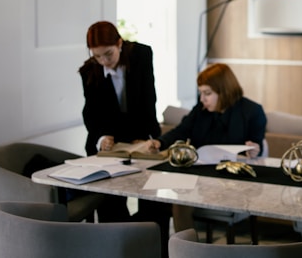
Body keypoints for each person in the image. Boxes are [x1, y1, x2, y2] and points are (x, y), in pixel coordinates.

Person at [78, 21, 169, 251]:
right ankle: (117, 248)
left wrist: (147, 136)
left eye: (108, 54)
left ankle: (154, 248)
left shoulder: (141, 55)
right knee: (110, 201)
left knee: (153, 197)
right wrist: (102, 137)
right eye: (97, 56)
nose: (103, 61)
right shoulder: (89, 70)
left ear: (119, 43)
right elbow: (91, 113)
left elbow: (149, 98)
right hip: (109, 141)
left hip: (139, 134)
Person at [145, 62, 267, 233]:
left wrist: (254, 149)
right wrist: (160, 142)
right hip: (200, 176)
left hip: (233, 179)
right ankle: (184, 246)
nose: (202, 99)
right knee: (172, 199)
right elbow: (182, 130)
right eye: (201, 93)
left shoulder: (252, 111)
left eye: (207, 93)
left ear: (224, 91)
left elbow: (256, 147)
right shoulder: (201, 110)